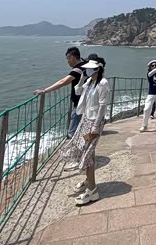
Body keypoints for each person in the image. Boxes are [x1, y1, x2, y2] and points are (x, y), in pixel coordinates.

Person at [62, 56, 109, 205]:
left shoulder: (103, 83)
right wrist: (82, 79)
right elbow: (77, 91)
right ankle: (89, 181)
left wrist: (95, 126)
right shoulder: (89, 82)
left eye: (89, 68)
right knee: (86, 151)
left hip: (94, 122)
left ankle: (92, 190)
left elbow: (102, 106)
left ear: (97, 69)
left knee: (88, 153)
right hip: (85, 120)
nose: (86, 70)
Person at [33, 47, 86, 139]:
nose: (67, 61)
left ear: (72, 57)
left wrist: (45, 91)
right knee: (83, 126)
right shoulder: (86, 64)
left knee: (72, 131)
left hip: (80, 102)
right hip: (88, 99)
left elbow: (63, 82)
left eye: (68, 59)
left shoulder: (77, 70)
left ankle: (73, 144)